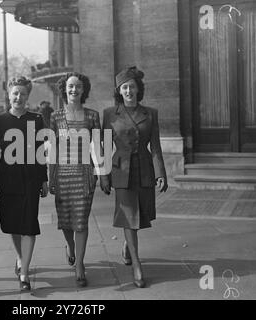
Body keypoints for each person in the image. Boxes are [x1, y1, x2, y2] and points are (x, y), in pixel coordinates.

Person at [100, 66, 168, 288]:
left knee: (141, 214)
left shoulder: (151, 113)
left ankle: (128, 247)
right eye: (124, 88)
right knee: (129, 216)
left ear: (139, 89)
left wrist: (161, 173)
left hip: (145, 169)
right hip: (121, 171)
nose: (128, 91)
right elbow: (102, 146)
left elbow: (155, 147)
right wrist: (103, 175)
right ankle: (137, 265)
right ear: (119, 91)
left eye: (132, 87)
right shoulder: (110, 114)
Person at [0, 76, 48, 292]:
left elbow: (40, 152)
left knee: (29, 224)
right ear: (8, 94)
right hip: (7, 179)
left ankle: (24, 272)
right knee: (13, 224)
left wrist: (44, 179)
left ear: (28, 96)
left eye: (23, 93)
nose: (18, 97)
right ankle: (19, 257)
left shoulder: (37, 119)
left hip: (31, 178)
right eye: (15, 93)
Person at [49, 72, 101, 287]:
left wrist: (102, 174)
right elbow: (52, 148)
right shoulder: (55, 116)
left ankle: (80, 264)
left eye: (78, 86)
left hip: (84, 173)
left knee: (81, 219)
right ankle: (70, 246)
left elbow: (98, 146)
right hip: (62, 174)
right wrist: (50, 177)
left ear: (84, 90)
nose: (74, 90)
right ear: (64, 89)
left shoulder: (92, 116)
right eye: (70, 86)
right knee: (66, 220)